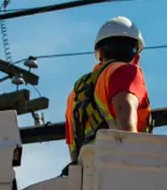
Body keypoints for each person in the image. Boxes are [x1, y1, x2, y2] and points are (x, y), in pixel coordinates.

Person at [64, 16, 152, 164]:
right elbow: (126, 119)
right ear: (136, 57)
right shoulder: (127, 72)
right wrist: (134, 165)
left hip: (85, 176)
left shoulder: (75, 94)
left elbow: (73, 148)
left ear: (100, 54)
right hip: (117, 167)